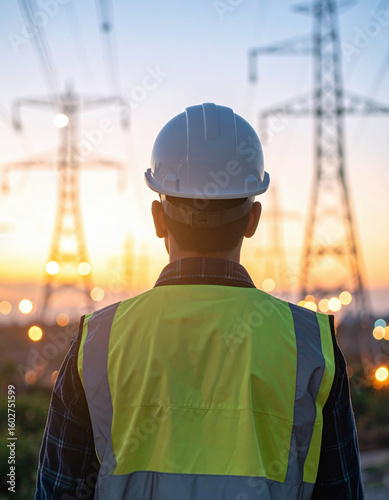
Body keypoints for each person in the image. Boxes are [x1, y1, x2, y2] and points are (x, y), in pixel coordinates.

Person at [35, 103, 364, 500]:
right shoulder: (312, 346)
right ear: (253, 220)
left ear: (159, 219)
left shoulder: (97, 343)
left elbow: (59, 492)